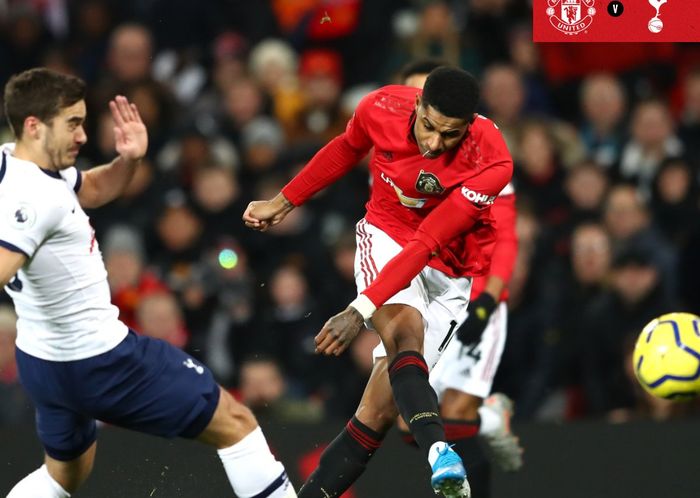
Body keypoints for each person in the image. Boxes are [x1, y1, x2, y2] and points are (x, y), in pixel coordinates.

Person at [2, 68, 295, 498]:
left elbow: (93, 188)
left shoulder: (17, 163)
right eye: (73, 124)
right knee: (236, 424)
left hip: (42, 361)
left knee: (64, 476)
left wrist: (130, 159)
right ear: (34, 125)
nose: (83, 135)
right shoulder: (37, 200)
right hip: (100, 361)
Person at [244, 66, 513, 498]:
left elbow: (429, 241)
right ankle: (441, 452)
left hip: (450, 268)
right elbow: (347, 148)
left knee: (378, 411)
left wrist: (359, 310)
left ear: (469, 127)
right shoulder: (380, 106)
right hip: (387, 234)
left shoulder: (492, 160)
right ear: (418, 103)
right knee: (405, 332)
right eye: (429, 126)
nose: (434, 143)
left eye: (450, 135)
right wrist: (284, 200)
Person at [396, 61, 523, 497]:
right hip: (426, 288)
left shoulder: (486, 158)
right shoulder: (397, 153)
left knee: (454, 413)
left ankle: (479, 419)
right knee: (408, 422)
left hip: (474, 294)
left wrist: (487, 303)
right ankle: (491, 418)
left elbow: (505, 236)